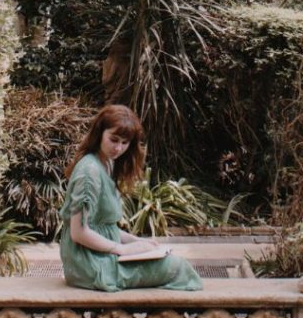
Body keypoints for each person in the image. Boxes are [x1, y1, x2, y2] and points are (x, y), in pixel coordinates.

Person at [59, 104, 202, 292]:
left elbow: (104, 229)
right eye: (113, 139)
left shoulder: (107, 163)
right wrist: (123, 249)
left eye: (125, 143)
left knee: (169, 261)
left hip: (99, 255)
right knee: (177, 268)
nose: (118, 148)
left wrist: (137, 242)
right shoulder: (90, 172)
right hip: (88, 263)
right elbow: (78, 233)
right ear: (99, 133)